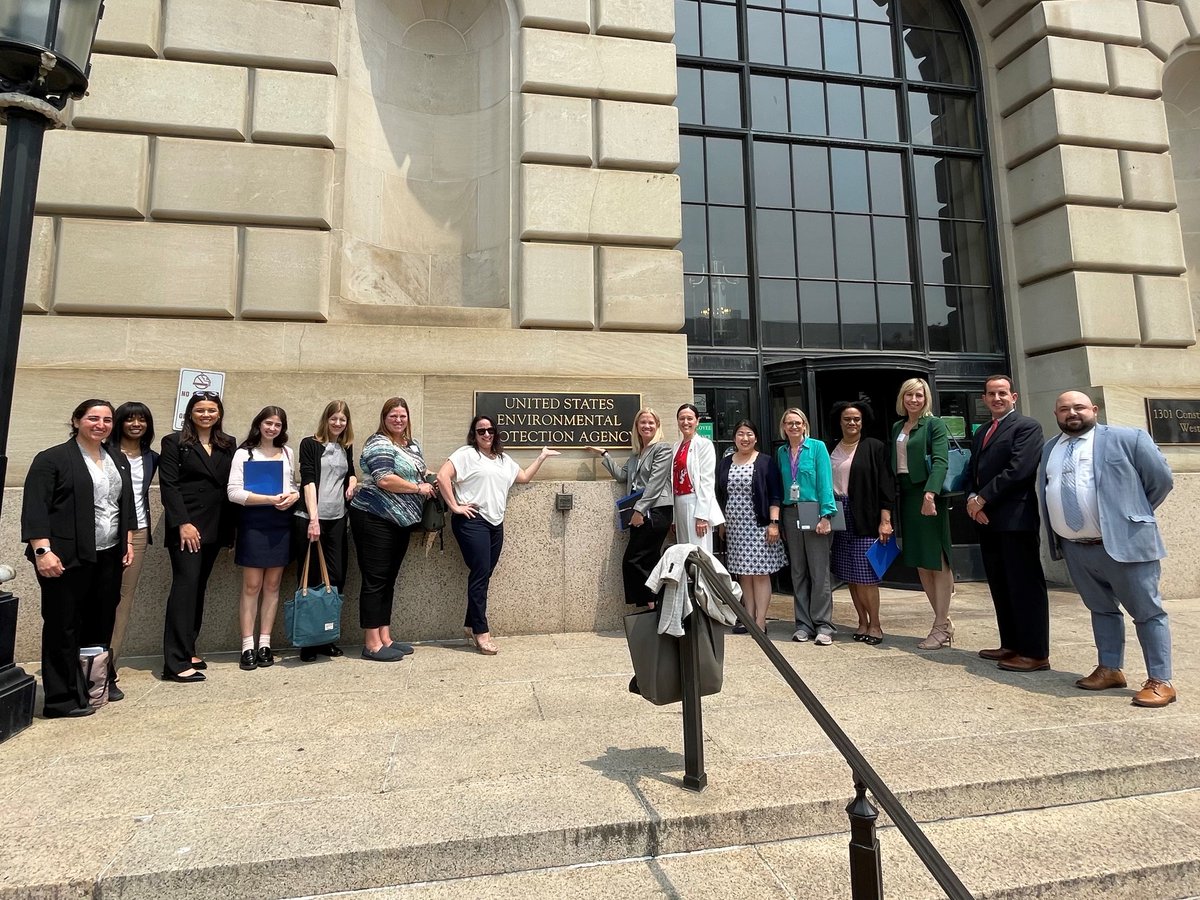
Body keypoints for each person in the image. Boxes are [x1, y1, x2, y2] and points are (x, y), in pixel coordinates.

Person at [1040, 390, 1177, 708]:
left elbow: (1161, 481)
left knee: (1147, 612)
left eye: (1078, 407)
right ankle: (1110, 668)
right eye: (1063, 409)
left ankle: (1161, 680)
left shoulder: (1128, 438)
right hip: (1076, 548)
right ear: (1056, 414)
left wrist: (1131, 516)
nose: (1071, 413)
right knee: (1101, 609)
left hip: (1124, 545)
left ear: (1094, 409)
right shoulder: (1050, 449)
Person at [21, 400, 135, 717]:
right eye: (93, 418)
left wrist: (126, 539)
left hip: (108, 554)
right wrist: (42, 551)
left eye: (107, 420)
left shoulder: (116, 458)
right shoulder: (52, 459)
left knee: (102, 619)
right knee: (63, 624)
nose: (100, 424)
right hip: (65, 556)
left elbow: (124, 503)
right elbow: (35, 508)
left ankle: (96, 680)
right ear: (76, 421)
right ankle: (61, 698)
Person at [437, 415, 559, 655]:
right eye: (480, 430)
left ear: (495, 432)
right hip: (472, 522)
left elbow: (522, 477)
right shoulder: (466, 454)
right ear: (474, 433)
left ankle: (471, 623)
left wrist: (542, 456)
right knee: (480, 573)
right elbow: (443, 477)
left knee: (484, 574)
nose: (486, 434)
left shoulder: (503, 459)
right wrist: (454, 506)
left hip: (496, 523)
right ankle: (481, 633)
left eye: (490, 430)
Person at [965, 376, 1049, 672]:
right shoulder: (983, 430)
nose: (996, 398)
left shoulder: (1027, 427)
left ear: (1014, 396)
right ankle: (1011, 643)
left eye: (1002, 393)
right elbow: (973, 470)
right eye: (991, 394)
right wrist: (972, 498)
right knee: (1001, 585)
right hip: (987, 520)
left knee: (1024, 585)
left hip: (1015, 519)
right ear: (984, 398)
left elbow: (1020, 469)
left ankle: (1035, 652)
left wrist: (982, 499)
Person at [349, 398, 434, 662]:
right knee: (375, 581)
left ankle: (385, 637)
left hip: (401, 522)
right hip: (374, 518)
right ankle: (371, 643)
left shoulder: (411, 444)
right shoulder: (378, 443)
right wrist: (419, 489)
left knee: (388, 579)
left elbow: (420, 472)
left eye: (402, 416)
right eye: (393, 416)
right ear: (384, 418)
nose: (398, 420)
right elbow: (384, 478)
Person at [159, 391, 236, 683]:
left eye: (212, 410)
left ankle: (189, 648)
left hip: (216, 526)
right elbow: (169, 485)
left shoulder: (227, 443)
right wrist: (183, 523)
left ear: (219, 414)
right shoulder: (175, 442)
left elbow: (231, 484)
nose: (206, 414)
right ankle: (174, 663)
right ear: (190, 413)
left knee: (199, 587)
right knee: (185, 587)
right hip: (188, 527)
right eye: (200, 410)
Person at [228, 406, 300, 671]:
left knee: (273, 585)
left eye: (278, 425)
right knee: (251, 585)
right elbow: (233, 492)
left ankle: (265, 643)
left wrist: (293, 496)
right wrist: (267, 499)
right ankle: (247, 644)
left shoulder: (288, 453)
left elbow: (292, 485)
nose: (272, 429)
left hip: (281, 523)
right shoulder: (244, 453)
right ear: (259, 424)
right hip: (254, 523)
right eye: (268, 423)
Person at [587, 408, 673, 608]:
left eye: (651, 422)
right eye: (642, 422)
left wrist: (639, 510)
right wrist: (605, 454)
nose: (647, 426)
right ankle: (655, 610)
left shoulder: (662, 449)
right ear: (637, 427)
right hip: (641, 514)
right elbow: (622, 477)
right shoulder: (636, 455)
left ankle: (657, 606)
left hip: (655, 512)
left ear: (657, 426)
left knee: (633, 561)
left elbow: (655, 483)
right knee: (647, 561)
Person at [890, 378, 954, 650]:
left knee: (937, 560)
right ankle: (943, 622)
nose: (914, 400)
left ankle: (940, 626)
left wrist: (931, 494)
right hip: (906, 494)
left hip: (926, 495)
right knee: (920, 561)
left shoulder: (934, 424)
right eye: (909, 395)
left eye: (919, 395)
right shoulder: (897, 427)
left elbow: (941, 460)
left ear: (926, 398)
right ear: (902, 398)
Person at [292, 401, 358, 662]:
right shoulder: (310, 444)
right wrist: (313, 519)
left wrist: (352, 483)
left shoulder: (346, 445)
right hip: (311, 517)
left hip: (338, 519)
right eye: (334, 419)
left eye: (342, 420)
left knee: (336, 579)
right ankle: (308, 641)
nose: (338, 424)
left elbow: (350, 472)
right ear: (326, 419)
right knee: (310, 579)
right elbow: (308, 480)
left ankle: (327, 636)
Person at [828, 401, 894, 646]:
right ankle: (861, 621)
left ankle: (875, 624)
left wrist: (885, 520)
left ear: (863, 421)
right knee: (850, 575)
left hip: (865, 514)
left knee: (866, 575)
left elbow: (886, 485)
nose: (852, 423)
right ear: (840, 421)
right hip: (838, 511)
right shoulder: (830, 448)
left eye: (856, 419)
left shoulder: (874, 447)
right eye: (847, 419)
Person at [106, 401, 159, 701]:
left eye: (142, 420)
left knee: (122, 602)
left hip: (137, 533)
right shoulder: (105, 452)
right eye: (129, 419)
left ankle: (107, 668)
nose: (136, 424)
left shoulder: (152, 457)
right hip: (105, 532)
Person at [716, 420, 784, 634]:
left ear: (755, 437)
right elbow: (721, 494)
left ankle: (761, 621)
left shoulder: (765, 462)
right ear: (734, 437)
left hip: (759, 526)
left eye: (749, 434)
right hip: (735, 527)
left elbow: (775, 494)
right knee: (743, 574)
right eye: (740, 434)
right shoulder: (726, 462)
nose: (744, 439)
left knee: (761, 573)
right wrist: (722, 522)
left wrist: (774, 523)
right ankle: (748, 616)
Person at [776, 407, 836, 645]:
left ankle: (823, 624)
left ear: (804, 425)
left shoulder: (817, 447)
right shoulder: (781, 452)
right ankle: (803, 624)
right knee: (798, 570)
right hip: (791, 512)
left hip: (813, 510)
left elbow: (825, 481)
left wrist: (826, 515)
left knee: (818, 570)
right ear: (783, 427)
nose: (793, 427)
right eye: (789, 423)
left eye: (797, 423)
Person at [670, 403, 723, 554]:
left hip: (696, 501)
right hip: (679, 501)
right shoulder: (676, 446)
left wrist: (702, 516)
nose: (685, 422)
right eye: (681, 419)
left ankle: (704, 579)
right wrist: (674, 518)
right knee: (684, 553)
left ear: (697, 421)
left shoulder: (704, 444)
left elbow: (707, 482)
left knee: (700, 553)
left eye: (689, 418)